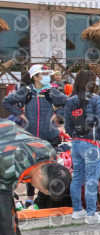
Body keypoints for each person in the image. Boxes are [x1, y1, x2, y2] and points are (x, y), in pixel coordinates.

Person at [0, 119, 72, 235]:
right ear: (39, 175)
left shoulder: (48, 152)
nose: (39, 190)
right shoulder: (9, 166)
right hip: (4, 159)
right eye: (41, 188)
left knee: (8, 226)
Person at [2, 64, 67, 207]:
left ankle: (46, 198)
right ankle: (30, 198)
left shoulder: (51, 91)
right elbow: (6, 101)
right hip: (30, 138)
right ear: (35, 77)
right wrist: (19, 114)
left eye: (47, 74)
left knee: (49, 169)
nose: (47, 77)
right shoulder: (26, 91)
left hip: (49, 136)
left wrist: (58, 114)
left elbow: (67, 102)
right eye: (43, 74)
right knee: (31, 168)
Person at [63, 70, 100, 224]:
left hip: (76, 143)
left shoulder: (70, 101)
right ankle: (91, 214)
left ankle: (77, 210)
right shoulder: (95, 99)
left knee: (77, 177)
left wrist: (75, 136)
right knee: (92, 179)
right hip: (92, 143)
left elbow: (67, 125)